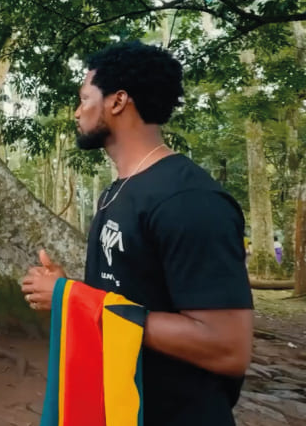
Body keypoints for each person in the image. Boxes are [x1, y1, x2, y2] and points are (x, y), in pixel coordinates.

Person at [20, 41, 253, 426]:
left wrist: (74, 299)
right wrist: (69, 291)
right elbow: (127, 297)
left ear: (118, 101)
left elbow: (227, 347)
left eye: (84, 98)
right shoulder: (117, 192)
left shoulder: (189, 200)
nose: (77, 111)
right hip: (122, 409)